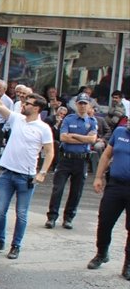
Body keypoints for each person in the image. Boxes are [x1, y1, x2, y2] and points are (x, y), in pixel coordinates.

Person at [0, 75, 54, 260]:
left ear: (36, 108)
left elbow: (50, 152)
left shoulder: (43, 128)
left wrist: (42, 173)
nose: (23, 104)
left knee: (21, 214)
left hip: (26, 176)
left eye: (28, 102)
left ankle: (16, 245)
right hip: (7, 173)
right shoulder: (17, 119)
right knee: (0, 210)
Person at [46, 94, 98, 230]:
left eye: (85, 103)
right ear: (76, 104)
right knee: (58, 188)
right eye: (80, 103)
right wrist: (82, 138)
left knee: (76, 191)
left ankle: (68, 218)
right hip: (66, 159)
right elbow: (63, 137)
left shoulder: (92, 121)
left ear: (89, 105)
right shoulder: (69, 119)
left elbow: (92, 140)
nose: (82, 106)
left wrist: (73, 135)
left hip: (81, 160)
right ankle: (52, 217)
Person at [90, 118, 130, 278]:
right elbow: (107, 155)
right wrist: (98, 177)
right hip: (115, 185)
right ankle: (101, 253)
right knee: (105, 221)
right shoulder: (120, 132)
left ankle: (128, 264)